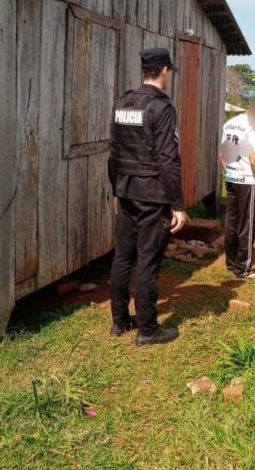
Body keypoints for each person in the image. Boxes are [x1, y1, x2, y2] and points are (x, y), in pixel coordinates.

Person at [108, 48, 188, 346]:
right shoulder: (161, 107)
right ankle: (148, 329)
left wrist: (116, 191)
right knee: (147, 261)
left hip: (126, 191)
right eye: (170, 71)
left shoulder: (123, 102)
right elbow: (168, 159)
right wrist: (177, 204)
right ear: (165, 70)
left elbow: (114, 153)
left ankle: (120, 321)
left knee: (122, 257)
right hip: (153, 195)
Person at [220, 98, 255, 278]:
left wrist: (229, 172)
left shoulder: (230, 123)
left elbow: (222, 154)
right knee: (248, 224)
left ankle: (231, 263)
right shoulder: (253, 126)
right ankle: (243, 268)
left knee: (232, 222)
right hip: (247, 182)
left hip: (231, 178)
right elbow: (254, 160)